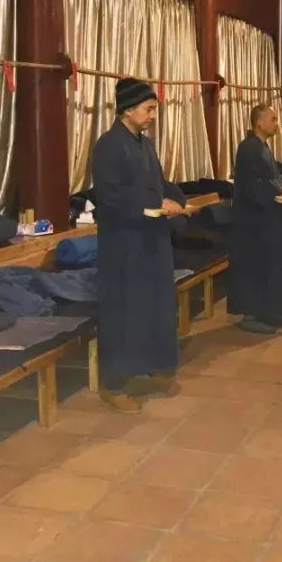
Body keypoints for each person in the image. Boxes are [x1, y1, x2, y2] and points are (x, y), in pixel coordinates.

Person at [92, 78, 186, 413]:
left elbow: (158, 183)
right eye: (148, 109)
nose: (152, 116)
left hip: (150, 240)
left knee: (149, 307)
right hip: (123, 244)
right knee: (122, 312)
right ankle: (114, 385)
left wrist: (177, 199)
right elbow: (110, 196)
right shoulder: (108, 145)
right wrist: (154, 204)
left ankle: (144, 367)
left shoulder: (145, 145)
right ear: (128, 109)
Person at [228, 105, 282, 334]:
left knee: (267, 265)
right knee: (254, 267)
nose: (277, 123)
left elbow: (271, 175)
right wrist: (277, 191)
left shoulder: (262, 147)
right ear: (259, 122)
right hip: (252, 221)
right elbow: (251, 184)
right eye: (273, 119)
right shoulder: (248, 148)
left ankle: (267, 310)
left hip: (265, 218)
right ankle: (251, 314)